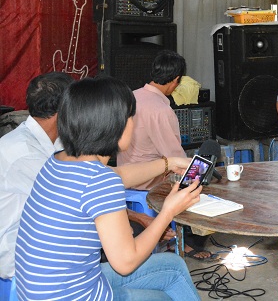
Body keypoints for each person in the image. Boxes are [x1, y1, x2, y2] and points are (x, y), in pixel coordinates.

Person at [15, 77, 202, 300]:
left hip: (40, 291)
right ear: (115, 124)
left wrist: (169, 163)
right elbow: (126, 262)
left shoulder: (59, 161)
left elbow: (118, 175)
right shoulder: (99, 180)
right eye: (131, 116)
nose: (133, 123)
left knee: (173, 267)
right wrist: (168, 212)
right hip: (71, 295)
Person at [116, 49, 210, 260]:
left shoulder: (130, 96)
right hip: (147, 181)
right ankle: (185, 242)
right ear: (176, 80)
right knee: (196, 178)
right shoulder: (161, 110)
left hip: (124, 174)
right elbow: (175, 157)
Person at [0, 72, 73, 280]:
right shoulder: (24, 153)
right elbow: (75, 196)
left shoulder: (51, 140)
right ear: (64, 110)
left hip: (40, 242)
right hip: (20, 258)